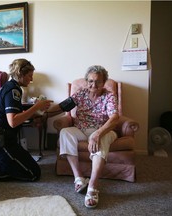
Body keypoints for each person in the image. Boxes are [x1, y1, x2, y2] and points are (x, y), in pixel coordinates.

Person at [45, 65, 119, 209]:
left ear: (104, 82)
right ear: (86, 81)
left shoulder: (109, 96)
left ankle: (92, 186)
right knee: (65, 132)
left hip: (103, 130)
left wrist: (97, 134)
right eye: (90, 81)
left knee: (101, 140)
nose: (93, 85)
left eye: (98, 81)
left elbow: (115, 117)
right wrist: (44, 113)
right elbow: (62, 107)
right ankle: (79, 178)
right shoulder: (81, 94)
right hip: (82, 129)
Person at [0, 58, 52, 183]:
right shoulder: (13, 90)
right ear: (20, 74)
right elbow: (13, 122)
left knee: (29, 166)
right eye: (29, 76)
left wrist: (34, 115)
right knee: (33, 174)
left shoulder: (10, 86)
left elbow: (15, 115)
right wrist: (36, 107)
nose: (31, 79)